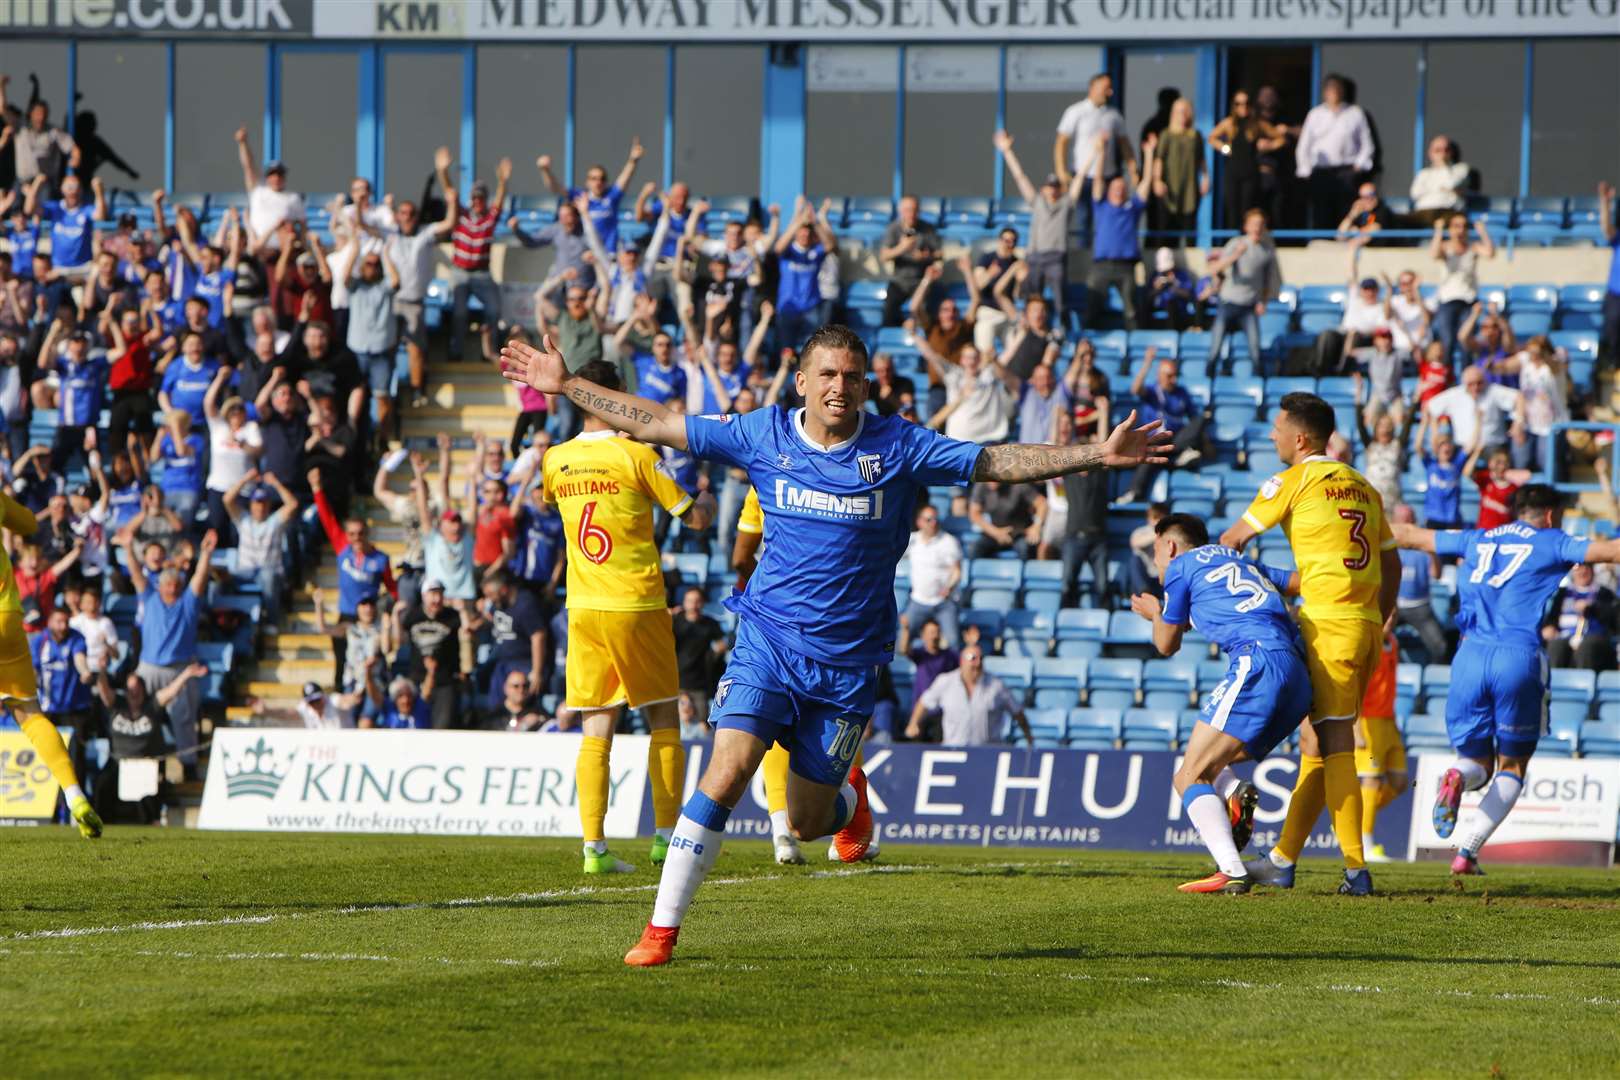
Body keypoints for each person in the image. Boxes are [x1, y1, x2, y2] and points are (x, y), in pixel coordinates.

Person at [498, 323, 1170, 966]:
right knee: (726, 771)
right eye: (826, 375)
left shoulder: (900, 446)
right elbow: (656, 421)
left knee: (810, 818)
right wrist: (566, 387)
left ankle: (851, 808)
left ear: (865, 386)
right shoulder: (761, 434)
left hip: (848, 667)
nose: (838, 388)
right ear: (800, 382)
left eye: (851, 377)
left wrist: (1095, 453)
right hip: (767, 642)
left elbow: (995, 461)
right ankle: (660, 930)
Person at [541, 359, 716, 875]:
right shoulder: (637, 453)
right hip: (635, 602)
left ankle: (594, 848)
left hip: (583, 607)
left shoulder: (556, 459)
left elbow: (550, 499)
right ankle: (666, 838)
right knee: (663, 716)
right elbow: (696, 517)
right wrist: (702, 493)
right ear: (614, 396)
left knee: (597, 727)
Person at [1221, 392, 1400, 896]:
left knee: (1336, 742)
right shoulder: (1362, 484)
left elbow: (1232, 542)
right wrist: (1381, 618)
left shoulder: (1292, 481)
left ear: (1300, 439)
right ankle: (1282, 859)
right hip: (1362, 627)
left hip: (1328, 627)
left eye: (1278, 428)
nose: (1272, 436)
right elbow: (1392, 563)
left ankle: (1355, 870)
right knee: (1316, 742)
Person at [1394, 486, 1620, 874]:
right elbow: (1611, 551)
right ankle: (1466, 851)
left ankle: (1456, 778)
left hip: (1467, 657)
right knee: (1513, 764)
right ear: (1550, 515)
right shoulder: (1553, 541)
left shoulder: (1477, 537)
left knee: (1474, 761)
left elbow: (1409, 535)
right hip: (1517, 656)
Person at [1130, 514, 1309, 892]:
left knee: (1188, 775)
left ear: (1171, 545)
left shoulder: (1181, 567)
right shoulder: (1238, 560)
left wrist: (1154, 613)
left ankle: (1232, 870)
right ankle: (1233, 793)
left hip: (1257, 661)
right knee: (1211, 762)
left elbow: (1166, 644)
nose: (1157, 560)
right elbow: (1296, 582)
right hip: (1297, 672)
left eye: (1156, 549)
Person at [128, 528, 216, 777]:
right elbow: (135, 574)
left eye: (176, 584)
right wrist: (127, 548)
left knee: (183, 719)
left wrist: (206, 554)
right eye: (168, 583)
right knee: (142, 716)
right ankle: (148, 762)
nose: (172, 588)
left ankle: (188, 765)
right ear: (160, 585)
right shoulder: (150, 598)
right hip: (149, 667)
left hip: (179, 668)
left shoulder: (187, 603)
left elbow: (199, 578)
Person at [388, 148, 458, 408]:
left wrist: (444, 177)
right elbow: (362, 227)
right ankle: (392, 392)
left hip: (414, 302)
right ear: (397, 216)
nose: (406, 217)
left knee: (416, 349)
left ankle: (418, 390)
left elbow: (450, 222)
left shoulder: (425, 234)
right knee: (387, 349)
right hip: (392, 301)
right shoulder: (390, 235)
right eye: (402, 213)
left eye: (410, 214)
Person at [994, 130, 1082, 329]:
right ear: (1044, 189)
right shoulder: (1038, 202)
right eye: (1049, 186)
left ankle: (1062, 331)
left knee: (1060, 298)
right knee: (1032, 298)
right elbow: (1020, 177)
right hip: (1035, 256)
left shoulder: (1066, 205)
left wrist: (1093, 153)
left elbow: (1079, 180)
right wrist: (1007, 152)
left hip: (1056, 257)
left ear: (1060, 189)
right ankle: (1030, 330)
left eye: (1055, 186)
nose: (1052, 190)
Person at [1117, 346, 1207, 504]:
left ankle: (1180, 453)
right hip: (1155, 439)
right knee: (1152, 454)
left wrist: (1206, 442)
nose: (1174, 380)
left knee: (1202, 419)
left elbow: (1194, 419)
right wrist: (1147, 363)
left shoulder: (1181, 392)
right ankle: (1135, 491)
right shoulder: (1152, 391)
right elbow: (1136, 389)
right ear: (1159, 375)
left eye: (1175, 376)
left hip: (1175, 439)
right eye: (1169, 376)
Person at [1086, 132, 1154, 331]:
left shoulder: (1131, 207)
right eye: (1114, 187)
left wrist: (1148, 154)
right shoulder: (1101, 205)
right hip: (1101, 266)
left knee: (1131, 310)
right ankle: (1085, 344)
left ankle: (1133, 349)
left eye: (1121, 187)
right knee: (1092, 305)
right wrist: (1102, 151)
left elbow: (1146, 184)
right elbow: (1097, 179)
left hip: (1126, 267)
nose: (1118, 190)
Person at [448, 157, 512, 363]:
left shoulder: (488, 220)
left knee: (494, 310)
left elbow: (499, 203)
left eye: (481, 198)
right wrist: (443, 173)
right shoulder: (461, 216)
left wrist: (502, 182)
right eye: (474, 197)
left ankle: (490, 351)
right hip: (460, 273)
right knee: (459, 313)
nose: (477, 201)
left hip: (482, 274)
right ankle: (456, 351)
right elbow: (450, 195)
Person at [1203, 209, 1281, 377]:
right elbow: (1214, 269)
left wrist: (1264, 301)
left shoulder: (1267, 250)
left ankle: (1259, 384)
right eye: (1254, 224)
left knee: (1255, 349)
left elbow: (1269, 280)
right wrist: (1235, 255)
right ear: (1246, 226)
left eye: (1261, 224)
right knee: (1215, 347)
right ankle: (1208, 381)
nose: (1257, 228)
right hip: (1228, 303)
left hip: (1249, 307)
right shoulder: (1236, 243)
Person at [904, 643, 1031, 747]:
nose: (977, 663)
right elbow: (924, 701)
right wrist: (913, 723)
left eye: (981, 658)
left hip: (987, 753)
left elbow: (1017, 712)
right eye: (973, 658)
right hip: (953, 751)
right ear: (962, 661)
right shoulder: (946, 681)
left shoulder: (996, 686)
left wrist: (1028, 737)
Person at [1054, 72, 1127, 246]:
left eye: (1110, 89)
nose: (1109, 92)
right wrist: (1061, 171)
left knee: (1107, 219)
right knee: (1083, 219)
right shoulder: (1076, 111)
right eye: (1105, 88)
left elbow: (1125, 144)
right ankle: (1084, 255)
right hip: (1083, 177)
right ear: (1093, 88)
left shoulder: (1113, 115)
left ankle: (1106, 251)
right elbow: (1061, 142)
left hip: (1107, 177)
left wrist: (1132, 168)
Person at [1355, 625, 1407, 863]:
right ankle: (1364, 842)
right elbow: (1355, 686)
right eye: (1388, 616)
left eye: (1395, 616)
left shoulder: (1393, 641)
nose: (1391, 620)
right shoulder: (1367, 644)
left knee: (1399, 782)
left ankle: (1353, 820)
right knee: (1371, 779)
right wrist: (1355, 726)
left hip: (1389, 722)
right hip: (1368, 722)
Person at [538, 138, 643, 255]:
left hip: (608, 253)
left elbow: (624, 178)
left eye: (602, 179)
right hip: (585, 254)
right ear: (587, 182)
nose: (598, 182)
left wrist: (633, 161)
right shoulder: (580, 196)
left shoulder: (611, 197)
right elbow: (555, 188)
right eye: (594, 178)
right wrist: (545, 171)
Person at [1295, 74, 1373, 230]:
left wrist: (1358, 165)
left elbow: (1367, 144)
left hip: (1346, 171)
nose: (1334, 92)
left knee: (1345, 212)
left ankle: (1344, 243)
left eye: (1337, 88)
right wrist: (1305, 170)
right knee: (1321, 212)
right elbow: (1304, 145)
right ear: (1324, 92)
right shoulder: (1315, 114)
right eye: (1330, 89)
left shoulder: (1355, 113)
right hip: (1322, 172)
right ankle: (1321, 244)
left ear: (1342, 91)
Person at [225, 469, 298, 631]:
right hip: (244, 571)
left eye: (264, 502)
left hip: (269, 571)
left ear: (269, 505)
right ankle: (227, 624)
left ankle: (272, 622)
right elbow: (227, 499)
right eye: (257, 503)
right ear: (251, 505)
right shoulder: (243, 519)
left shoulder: (275, 521)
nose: (260, 506)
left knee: (269, 576)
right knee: (220, 579)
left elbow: (292, 504)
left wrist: (276, 483)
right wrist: (245, 479)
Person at [1208, 89, 1288, 231]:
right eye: (1238, 104)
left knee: (1247, 207)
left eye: (1246, 103)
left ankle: (1246, 237)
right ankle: (1231, 239)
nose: (1243, 107)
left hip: (1250, 171)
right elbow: (1212, 138)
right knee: (1232, 206)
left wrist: (1268, 146)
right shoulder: (1229, 123)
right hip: (1233, 170)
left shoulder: (1258, 124)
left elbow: (1280, 139)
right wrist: (1225, 148)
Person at [772, 197, 838, 353]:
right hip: (788, 306)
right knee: (786, 349)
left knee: (813, 349)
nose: (804, 236)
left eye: (808, 234)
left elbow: (830, 245)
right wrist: (798, 219)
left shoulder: (816, 251)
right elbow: (778, 247)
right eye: (801, 233)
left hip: (810, 307)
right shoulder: (789, 251)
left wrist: (815, 221)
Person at [399, 578, 466, 728]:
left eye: (440, 594)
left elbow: (468, 633)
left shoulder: (452, 616)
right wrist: (394, 617)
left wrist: (462, 611)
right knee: (417, 725)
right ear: (424, 596)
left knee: (442, 726)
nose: (437, 599)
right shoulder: (413, 615)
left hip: (445, 680)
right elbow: (399, 641)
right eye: (433, 594)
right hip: (417, 678)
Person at [1430, 212, 1496, 364]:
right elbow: (1434, 254)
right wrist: (1439, 232)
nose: (1460, 230)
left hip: (1468, 300)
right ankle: (1447, 378)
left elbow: (1490, 253)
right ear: (1451, 229)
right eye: (1456, 226)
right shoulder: (1445, 247)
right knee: (1447, 341)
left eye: (1464, 226)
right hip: (1447, 300)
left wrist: (1482, 232)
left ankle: (1466, 378)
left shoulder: (1473, 247)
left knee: (1466, 342)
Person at [1391, 504, 1450, 661]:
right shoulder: (1386, 545)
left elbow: (1437, 574)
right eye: (1403, 520)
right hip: (1392, 606)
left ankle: (1431, 678)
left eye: (1410, 520)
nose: (1407, 524)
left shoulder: (1423, 547)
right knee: (1372, 640)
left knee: (1440, 647)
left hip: (1419, 607)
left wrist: (1431, 550)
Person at [233, 126, 304, 250]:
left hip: (283, 251)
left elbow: (303, 225)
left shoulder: (293, 197)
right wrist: (243, 144)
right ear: (267, 177)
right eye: (272, 174)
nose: (276, 178)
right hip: (258, 249)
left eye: (279, 174)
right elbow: (248, 166)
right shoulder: (258, 191)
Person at [902, 504, 963, 648]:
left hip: (943, 602)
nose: (933, 523)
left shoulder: (949, 541)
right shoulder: (911, 541)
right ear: (919, 522)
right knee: (901, 637)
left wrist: (949, 586)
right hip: (918, 600)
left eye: (935, 519)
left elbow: (957, 571)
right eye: (929, 519)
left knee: (953, 641)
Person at [1541, 563, 1617, 672]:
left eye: (1586, 568)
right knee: (1555, 646)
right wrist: (1550, 627)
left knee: (1587, 647)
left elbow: (1613, 618)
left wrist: (1593, 608)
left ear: (1592, 570)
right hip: (1565, 636)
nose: (1583, 571)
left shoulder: (1604, 593)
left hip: (1594, 638)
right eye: (1578, 568)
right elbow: (1552, 618)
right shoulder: (1562, 593)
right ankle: (1554, 685)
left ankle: (1583, 687)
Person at [1151, 98, 1208, 243]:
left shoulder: (1195, 135)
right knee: (1167, 228)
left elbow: (1202, 160)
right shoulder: (1167, 134)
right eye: (1179, 111)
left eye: (1185, 111)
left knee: (1190, 227)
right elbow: (1159, 159)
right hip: (1170, 187)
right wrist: (1157, 180)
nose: (1182, 115)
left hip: (1189, 188)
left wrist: (1206, 178)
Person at [878, 196, 940, 327]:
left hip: (921, 280)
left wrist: (926, 256)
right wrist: (902, 248)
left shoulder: (928, 229)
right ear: (901, 211)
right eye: (907, 210)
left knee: (927, 309)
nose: (911, 214)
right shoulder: (893, 229)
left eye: (914, 210)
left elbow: (940, 253)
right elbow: (884, 256)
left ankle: (923, 336)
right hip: (899, 281)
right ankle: (895, 336)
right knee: (888, 311)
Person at [1408, 135, 1471, 227]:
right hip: (1423, 213)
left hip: (1448, 212)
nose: (1442, 154)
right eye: (1438, 150)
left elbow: (1451, 184)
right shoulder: (1423, 173)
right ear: (1430, 153)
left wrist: (1444, 166)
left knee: (1449, 224)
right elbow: (1415, 194)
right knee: (1395, 221)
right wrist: (1441, 188)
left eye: (1446, 150)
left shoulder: (1460, 169)